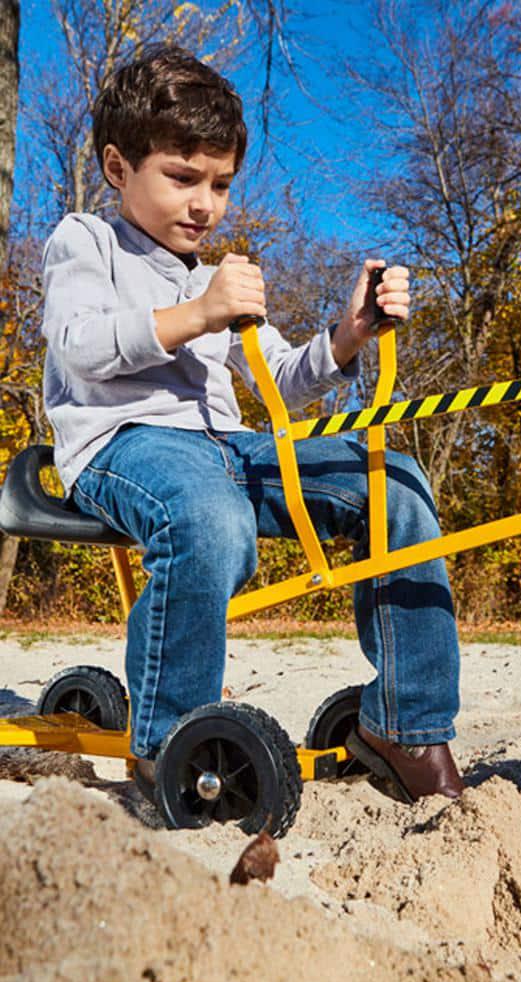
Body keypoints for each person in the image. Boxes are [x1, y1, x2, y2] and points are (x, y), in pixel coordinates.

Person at [41, 43, 464, 804]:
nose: (204, 203)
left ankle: (406, 723)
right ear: (117, 169)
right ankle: (169, 743)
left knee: (394, 483)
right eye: (181, 177)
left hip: (230, 446)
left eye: (221, 184)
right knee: (208, 519)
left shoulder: (213, 273)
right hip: (122, 443)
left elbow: (281, 377)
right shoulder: (86, 241)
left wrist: (349, 332)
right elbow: (78, 347)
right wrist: (197, 313)